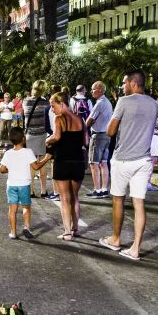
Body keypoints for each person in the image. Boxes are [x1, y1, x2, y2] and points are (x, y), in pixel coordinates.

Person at [99, 70, 158, 260]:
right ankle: (135, 249)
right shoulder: (154, 104)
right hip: (144, 160)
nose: (122, 86)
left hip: (123, 159)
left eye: (124, 83)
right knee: (139, 203)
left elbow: (110, 131)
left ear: (133, 83)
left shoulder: (124, 102)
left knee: (118, 199)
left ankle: (115, 239)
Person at [45, 92, 87, 241]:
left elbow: (56, 136)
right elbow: (86, 142)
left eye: (53, 105)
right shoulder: (81, 120)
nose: (52, 109)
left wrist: (47, 141)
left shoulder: (59, 119)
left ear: (62, 103)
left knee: (64, 198)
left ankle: (67, 232)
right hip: (77, 162)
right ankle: (75, 228)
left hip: (62, 161)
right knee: (75, 197)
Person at [0, 127, 51, 239]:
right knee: (26, 207)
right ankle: (26, 227)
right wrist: (46, 158)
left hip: (11, 185)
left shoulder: (8, 153)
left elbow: (2, 169)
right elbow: (36, 166)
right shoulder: (28, 152)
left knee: (12, 210)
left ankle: (13, 233)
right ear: (24, 139)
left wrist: (11, 168)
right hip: (24, 185)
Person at [23, 81, 50, 198]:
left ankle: (31, 190)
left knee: (31, 164)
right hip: (42, 135)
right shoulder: (46, 103)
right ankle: (44, 191)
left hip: (29, 135)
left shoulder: (26, 101)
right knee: (42, 163)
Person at [87, 81, 113, 198]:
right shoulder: (107, 102)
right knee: (103, 163)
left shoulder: (100, 103)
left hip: (98, 135)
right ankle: (104, 189)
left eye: (93, 89)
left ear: (100, 90)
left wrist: (82, 129)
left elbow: (90, 119)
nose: (91, 91)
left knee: (94, 163)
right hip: (106, 135)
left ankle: (97, 190)